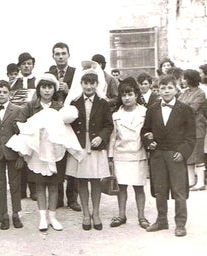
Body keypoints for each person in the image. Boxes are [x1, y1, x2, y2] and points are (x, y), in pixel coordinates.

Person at [7, 73, 82, 231]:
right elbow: (17, 124)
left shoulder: (59, 107)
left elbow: (68, 126)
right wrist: (33, 131)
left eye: (50, 87)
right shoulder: (30, 106)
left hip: (56, 151)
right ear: (39, 88)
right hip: (37, 151)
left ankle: (53, 217)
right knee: (40, 184)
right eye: (43, 87)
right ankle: (42, 218)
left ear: (54, 90)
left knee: (54, 185)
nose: (46, 90)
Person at [141, 74, 196, 237]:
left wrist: (183, 152)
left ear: (176, 89)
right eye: (163, 88)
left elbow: (191, 136)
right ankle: (161, 220)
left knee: (179, 191)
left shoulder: (185, 110)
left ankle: (180, 223)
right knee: (159, 189)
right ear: (158, 90)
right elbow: (145, 130)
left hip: (176, 155)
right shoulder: (152, 109)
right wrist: (148, 143)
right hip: (158, 155)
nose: (166, 91)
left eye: (170, 87)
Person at [66, 69, 113, 231]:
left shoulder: (103, 103)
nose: (89, 86)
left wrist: (101, 137)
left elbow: (109, 125)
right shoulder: (74, 102)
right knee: (82, 179)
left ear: (97, 84)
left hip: (96, 145)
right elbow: (68, 125)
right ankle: (86, 214)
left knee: (95, 179)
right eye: (86, 83)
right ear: (81, 84)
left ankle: (96, 213)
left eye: (92, 83)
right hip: (79, 145)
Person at [108, 77, 150, 229]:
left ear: (136, 95)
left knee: (139, 187)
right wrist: (110, 157)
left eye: (130, 94)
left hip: (139, 154)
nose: (126, 98)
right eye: (123, 95)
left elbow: (148, 134)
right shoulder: (116, 115)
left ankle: (142, 216)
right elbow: (113, 137)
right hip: (121, 156)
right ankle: (121, 215)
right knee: (122, 187)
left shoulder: (145, 112)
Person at [0, 80, 23, 230]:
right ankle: (3, 214)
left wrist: (21, 155)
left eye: (5, 92)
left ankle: (15, 213)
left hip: (13, 151)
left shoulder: (18, 110)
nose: (1, 94)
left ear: (10, 94)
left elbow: (21, 134)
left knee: (15, 184)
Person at [49, 42, 80, 212]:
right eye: (57, 54)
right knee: (57, 158)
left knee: (72, 157)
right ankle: (58, 197)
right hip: (55, 120)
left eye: (63, 53)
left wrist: (68, 91)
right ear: (53, 56)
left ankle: (73, 198)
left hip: (72, 121)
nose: (60, 56)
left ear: (68, 55)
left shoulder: (76, 73)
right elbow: (43, 94)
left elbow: (81, 95)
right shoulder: (49, 73)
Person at [10, 52, 37, 200]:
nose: (26, 66)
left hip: (31, 122)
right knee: (18, 155)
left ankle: (33, 189)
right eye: (24, 64)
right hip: (17, 122)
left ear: (33, 65)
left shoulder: (38, 81)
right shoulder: (14, 83)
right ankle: (20, 189)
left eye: (29, 63)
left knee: (31, 155)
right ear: (19, 66)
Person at [178, 70, 206, 191]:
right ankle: (191, 181)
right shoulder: (184, 93)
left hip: (197, 127)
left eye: (184, 78)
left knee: (198, 154)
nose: (182, 81)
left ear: (190, 79)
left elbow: (192, 109)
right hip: (186, 129)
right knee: (188, 154)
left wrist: (179, 109)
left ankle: (200, 182)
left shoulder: (200, 93)